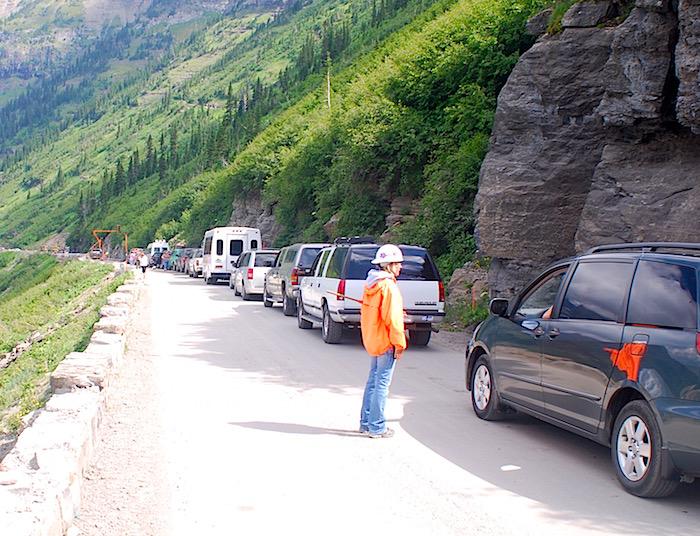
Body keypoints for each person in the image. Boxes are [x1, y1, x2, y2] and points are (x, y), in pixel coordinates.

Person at [359, 244, 407, 439]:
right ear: (389, 265)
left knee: (373, 382)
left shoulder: (372, 284)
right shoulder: (388, 286)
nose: (400, 267)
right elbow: (393, 319)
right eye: (398, 264)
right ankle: (377, 427)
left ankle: (366, 423)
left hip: (373, 340)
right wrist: (399, 344)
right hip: (386, 342)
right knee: (381, 385)